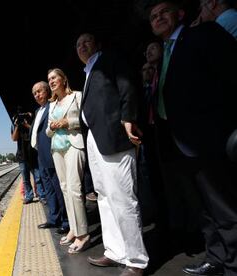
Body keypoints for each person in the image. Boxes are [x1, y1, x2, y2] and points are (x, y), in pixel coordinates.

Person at [148, 1, 237, 275]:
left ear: (181, 14)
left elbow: (231, 74)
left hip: (208, 137)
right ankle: (216, 257)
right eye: (153, 16)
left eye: (164, 11)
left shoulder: (203, 35)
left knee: (225, 205)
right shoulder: (163, 54)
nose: (159, 17)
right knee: (203, 206)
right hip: (178, 142)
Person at [76, 33, 148, 276]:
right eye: (78, 45)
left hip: (112, 134)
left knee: (122, 196)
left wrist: (128, 117)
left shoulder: (110, 60)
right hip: (94, 138)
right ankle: (115, 251)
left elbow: (127, 85)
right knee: (104, 196)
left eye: (86, 41)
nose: (82, 46)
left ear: (97, 44)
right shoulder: (87, 72)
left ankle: (136, 259)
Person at [45, 68, 90, 254]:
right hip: (57, 148)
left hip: (73, 145)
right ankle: (73, 228)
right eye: (49, 79)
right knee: (64, 189)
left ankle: (83, 234)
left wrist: (67, 122)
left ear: (64, 79)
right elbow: (48, 131)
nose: (51, 81)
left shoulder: (77, 96)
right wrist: (53, 127)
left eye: (54, 78)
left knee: (74, 188)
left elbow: (85, 120)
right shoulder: (52, 105)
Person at [30, 81, 69, 234]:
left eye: (39, 91)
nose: (37, 95)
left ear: (47, 91)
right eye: (34, 93)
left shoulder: (52, 106)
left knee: (58, 186)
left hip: (51, 151)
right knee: (48, 188)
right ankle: (54, 218)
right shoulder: (37, 110)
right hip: (40, 154)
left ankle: (66, 220)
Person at [11, 107, 45, 204]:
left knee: (38, 177)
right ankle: (29, 196)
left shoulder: (32, 121)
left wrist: (27, 125)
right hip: (22, 155)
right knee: (25, 179)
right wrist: (17, 126)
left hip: (33, 154)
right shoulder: (14, 124)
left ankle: (41, 195)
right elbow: (14, 138)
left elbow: (36, 133)